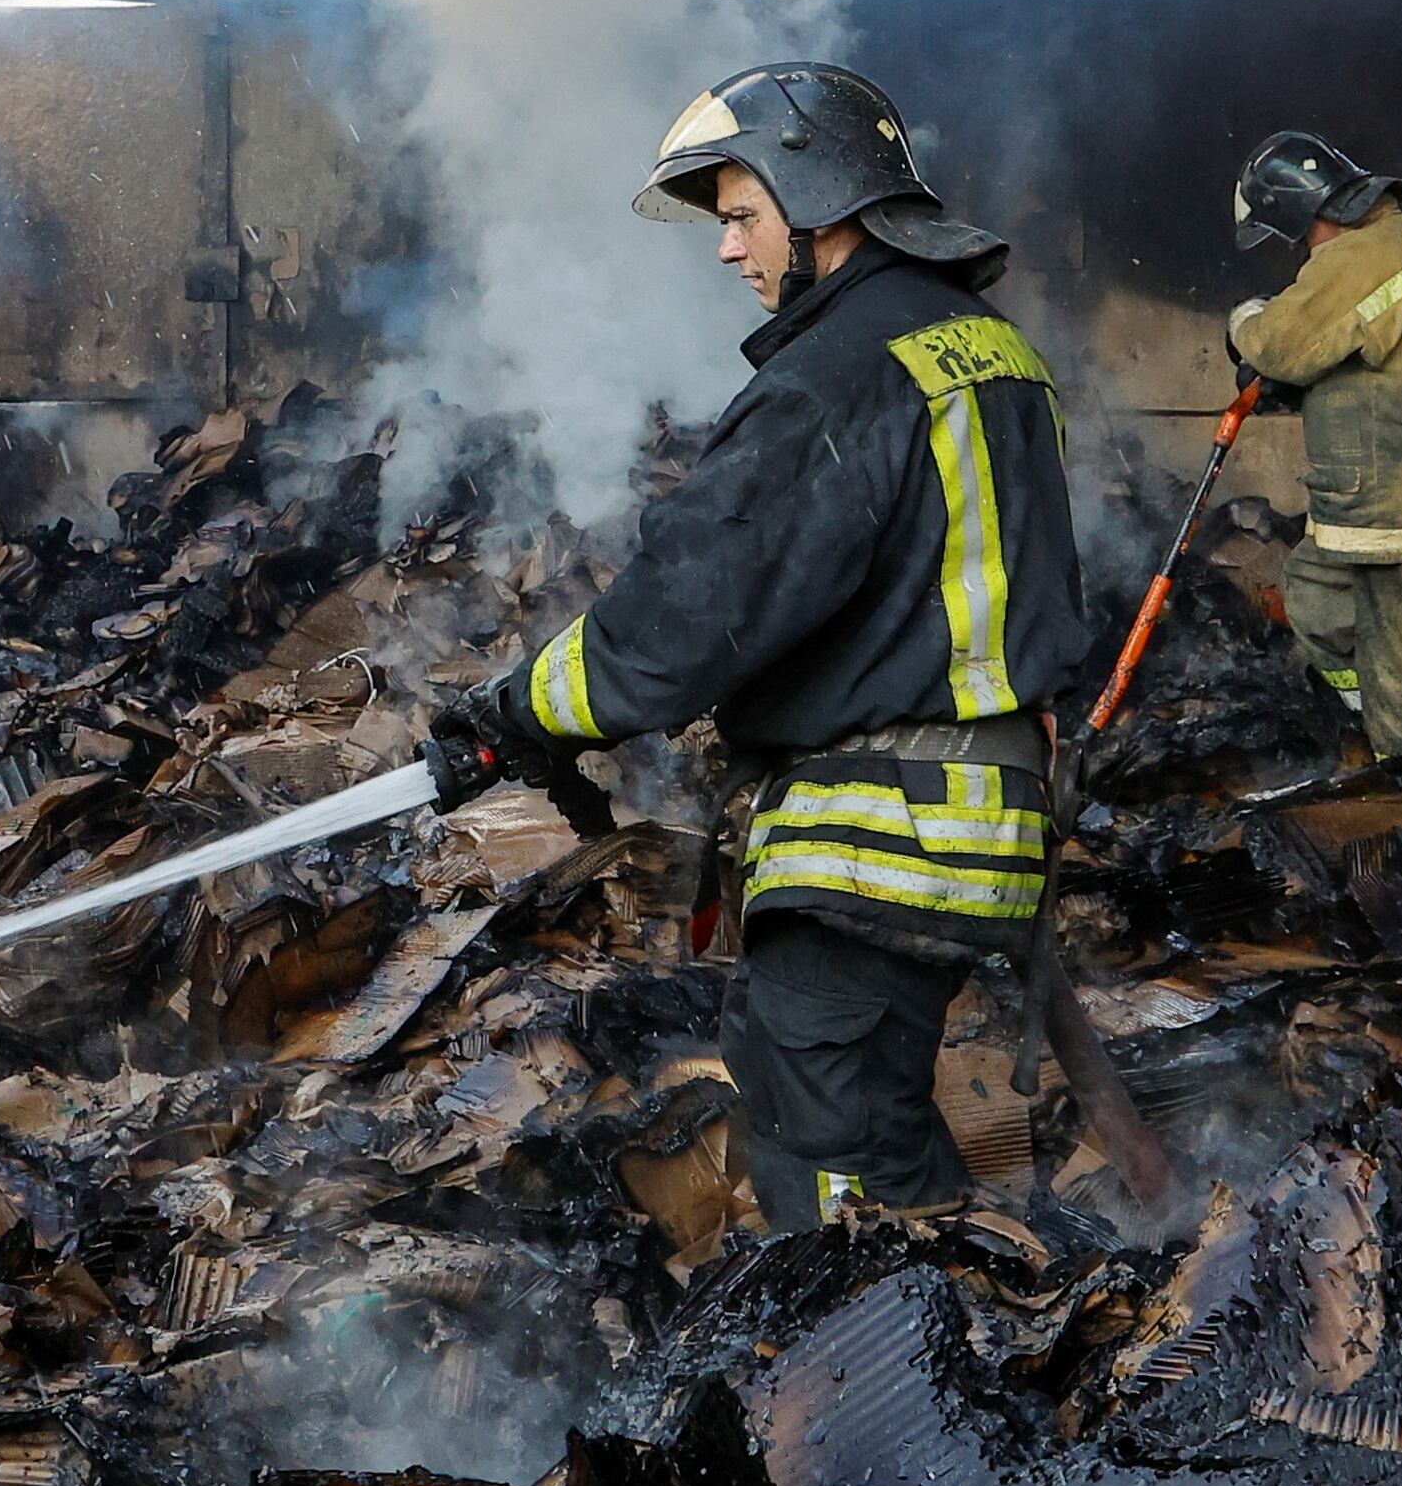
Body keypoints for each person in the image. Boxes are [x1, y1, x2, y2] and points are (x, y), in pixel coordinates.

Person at [429, 65, 1101, 1234]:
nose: (727, 249)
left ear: (822, 201)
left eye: (741, 214)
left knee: (831, 1151)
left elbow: (677, 622)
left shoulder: (835, 379)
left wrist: (510, 713)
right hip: (982, 807)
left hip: (879, 828)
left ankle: (894, 1377)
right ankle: (950, 1331)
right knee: (862, 1106)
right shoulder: (983, 347)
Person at [1228, 129, 1402, 784]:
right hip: (1381, 493)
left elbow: (1279, 342)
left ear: (1305, 211)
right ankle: (1368, 718)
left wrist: (1243, 323)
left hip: (1391, 499)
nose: (1300, 251)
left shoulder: (1363, 255)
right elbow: (1367, 348)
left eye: (1292, 235)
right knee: (1315, 598)